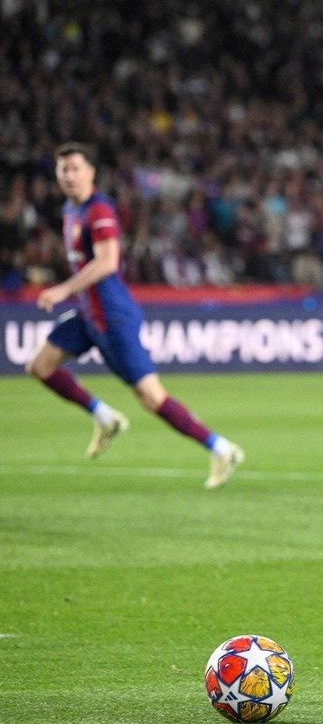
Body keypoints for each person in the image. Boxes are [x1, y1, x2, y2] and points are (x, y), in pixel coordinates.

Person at [26, 143, 244, 489]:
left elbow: (108, 261)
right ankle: (105, 417)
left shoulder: (98, 210)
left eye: (75, 168)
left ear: (91, 172)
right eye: (62, 169)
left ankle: (221, 448)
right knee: (40, 366)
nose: (69, 175)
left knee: (151, 398)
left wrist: (63, 290)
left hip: (113, 318)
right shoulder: (71, 210)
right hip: (89, 315)